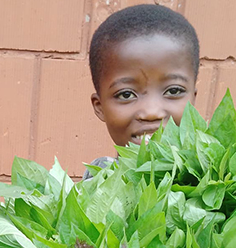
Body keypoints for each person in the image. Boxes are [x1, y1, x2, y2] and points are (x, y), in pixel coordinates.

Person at [83, 4, 200, 179]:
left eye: (174, 91)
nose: (151, 112)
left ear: (193, 99)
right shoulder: (90, 191)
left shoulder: (230, 193)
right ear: (99, 107)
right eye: (126, 94)